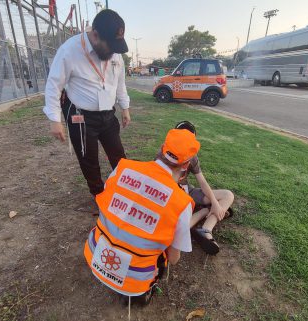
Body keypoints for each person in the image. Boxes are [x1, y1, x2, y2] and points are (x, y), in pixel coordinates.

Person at [84, 129, 200, 304]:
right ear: (186, 165)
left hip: (95, 256)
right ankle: (141, 293)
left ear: (162, 149)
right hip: (133, 282)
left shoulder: (123, 168)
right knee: (166, 255)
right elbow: (174, 259)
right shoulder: (181, 202)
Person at [43, 9, 131, 199]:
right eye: (111, 46)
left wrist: (125, 108)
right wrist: (54, 118)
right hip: (81, 116)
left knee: (119, 155)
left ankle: (125, 190)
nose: (114, 52)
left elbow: (120, 83)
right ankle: (99, 194)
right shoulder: (69, 50)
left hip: (108, 114)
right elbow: (54, 85)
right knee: (88, 159)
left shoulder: (115, 55)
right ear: (95, 35)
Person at [174, 121, 234, 255]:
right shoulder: (165, 154)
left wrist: (214, 203)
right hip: (174, 197)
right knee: (179, 227)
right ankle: (202, 212)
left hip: (188, 192)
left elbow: (202, 182)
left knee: (227, 195)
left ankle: (206, 228)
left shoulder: (192, 156)